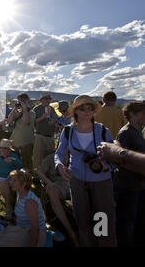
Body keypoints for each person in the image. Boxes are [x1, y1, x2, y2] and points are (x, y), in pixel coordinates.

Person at [55, 95, 117, 247]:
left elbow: (114, 156)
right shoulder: (68, 131)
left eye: (90, 108)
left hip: (101, 181)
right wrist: (59, 165)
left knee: (102, 220)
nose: (87, 111)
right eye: (82, 108)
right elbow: (59, 152)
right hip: (77, 181)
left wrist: (106, 166)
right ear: (75, 111)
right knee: (82, 221)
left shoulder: (102, 130)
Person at [114, 102, 145, 246]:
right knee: (126, 221)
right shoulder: (126, 132)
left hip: (138, 184)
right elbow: (121, 160)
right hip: (128, 185)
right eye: (142, 113)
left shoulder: (137, 130)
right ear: (132, 115)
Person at [0, 169, 47, 247]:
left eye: (14, 181)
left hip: (31, 232)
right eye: (12, 180)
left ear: (23, 184)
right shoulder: (19, 192)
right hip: (22, 228)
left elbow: (35, 229)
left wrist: (32, 244)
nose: (11, 183)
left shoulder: (29, 202)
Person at [37, 153, 78, 245]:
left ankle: (86, 227)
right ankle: (70, 230)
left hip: (76, 184)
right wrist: (49, 182)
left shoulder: (76, 156)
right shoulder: (51, 157)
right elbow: (39, 171)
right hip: (59, 186)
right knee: (52, 191)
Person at [0, 139, 23, 220]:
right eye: (2, 148)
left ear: (9, 149)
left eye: (5, 148)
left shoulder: (13, 156)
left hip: (9, 177)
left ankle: (8, 208)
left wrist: (13, 160)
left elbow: (21, 166)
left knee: (3, 183)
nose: (3, 150)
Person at [8, 93, 36, 172]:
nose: (21, 102)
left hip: (26, 141)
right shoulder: (17, 112)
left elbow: (26, 121)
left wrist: (24, 108)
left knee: (26, 162)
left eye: (23, 100)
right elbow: (9, 121)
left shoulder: (32, 112)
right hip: (15, 141)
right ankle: (17, 179)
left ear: (27, 101)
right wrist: (14, 109)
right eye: (20, 100)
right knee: (15, 161)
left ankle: (28, 178)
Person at [32, 93, 58, 170]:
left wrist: (54, 121)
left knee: (49, 156)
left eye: (49, 99)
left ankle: (47, 174)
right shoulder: (36, 109)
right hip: (40, 136)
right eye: (46, 99)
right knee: (38, 157)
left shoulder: (52, 109)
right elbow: (32, 122)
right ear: (41, 100)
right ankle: (37, 175)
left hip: (50, 137)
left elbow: (56, 119)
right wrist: (42, 118)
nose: (48, 101)